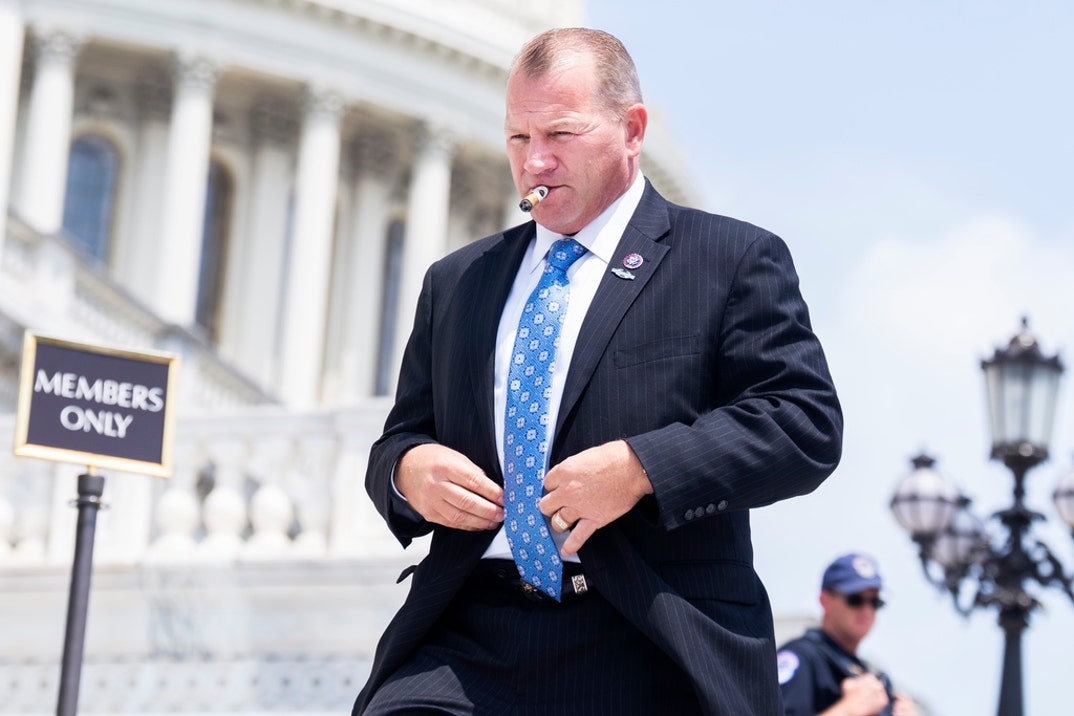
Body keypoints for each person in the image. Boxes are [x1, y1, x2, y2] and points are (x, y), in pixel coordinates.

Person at [354, 26, 842, 716]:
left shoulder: (729, 260)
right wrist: (409, 473)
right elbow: (399, 440)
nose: (536, 162)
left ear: (632, 129)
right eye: (518, 139)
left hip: (644, 634)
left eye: (561, 134)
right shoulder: (457, 282)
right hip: (466, 633)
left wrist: (642, 468)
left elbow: (804, 426)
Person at [776, 553, 918, 716]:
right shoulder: (801, 657)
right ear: (825, 600)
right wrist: (848, 710)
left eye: (874, 602)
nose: (867, 610)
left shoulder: (873, 675)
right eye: (855, 599)